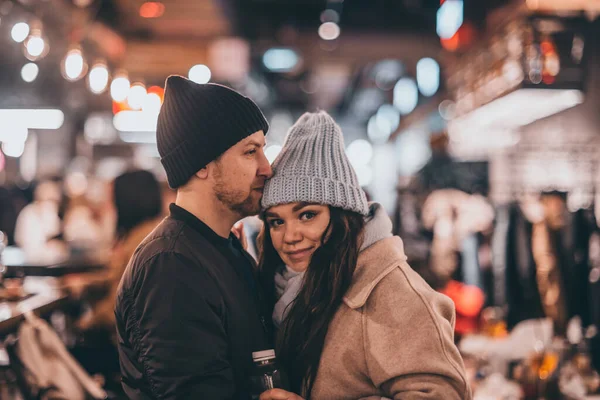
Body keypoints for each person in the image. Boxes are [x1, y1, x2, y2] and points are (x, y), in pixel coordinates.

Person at [257, 112, 471, 400]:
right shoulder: (287, 288)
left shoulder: (391, 292)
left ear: (343, 216)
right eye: (276, 221)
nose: (289, 235)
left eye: (307, 215)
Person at [115, 76, 274, 399]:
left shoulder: (221, 249)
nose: (266, 167)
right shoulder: (172, 266)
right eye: (250, 152)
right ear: (202, 164)